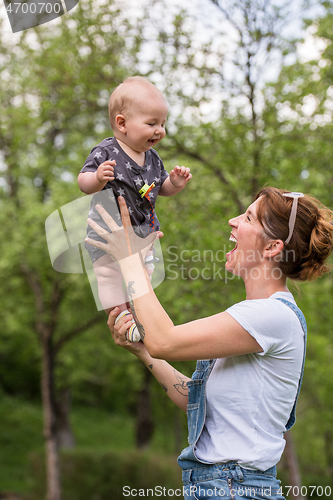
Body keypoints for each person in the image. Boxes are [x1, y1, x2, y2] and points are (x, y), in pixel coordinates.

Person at [85, 187, 333, 499]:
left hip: (234, 488)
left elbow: (165, 340)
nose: (233, 221)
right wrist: (143, 350)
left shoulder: (272, 316)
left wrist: (130, 259)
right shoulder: (253, 321)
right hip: (222, 486)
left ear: (272, 247)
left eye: (248, 217)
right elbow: (195, 399)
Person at [78, 76, 191, 336]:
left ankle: (139, 315)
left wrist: (175, 183)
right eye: (151, 123)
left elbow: (162, 188)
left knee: (142, 275)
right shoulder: (106, 152)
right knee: (109, 277)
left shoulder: (153, 158)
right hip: (108, 231)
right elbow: (83, 182)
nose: (159, 130)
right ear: (122, 123)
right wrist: (97, 179)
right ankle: (123, 319)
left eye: (162, 123)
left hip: (143, 232)